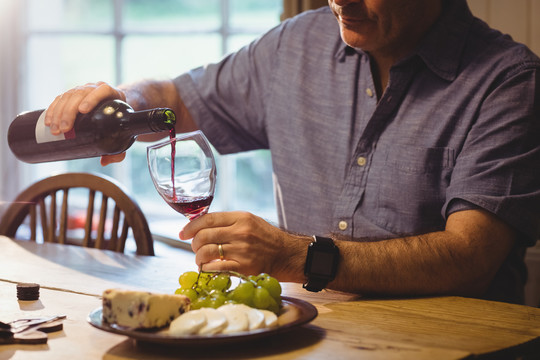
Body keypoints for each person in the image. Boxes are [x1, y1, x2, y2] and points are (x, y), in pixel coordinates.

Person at [43, 0, 540, 304]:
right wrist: (123, 103)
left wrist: (299, 257)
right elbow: (175, 100)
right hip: (317, 338)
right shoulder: (296, 44)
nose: (341, 0)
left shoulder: (508, 81)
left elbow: (472, 257)